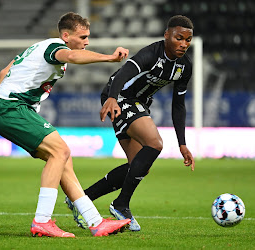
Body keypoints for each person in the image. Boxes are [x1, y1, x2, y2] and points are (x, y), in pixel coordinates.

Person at [0, 12, 131, 238]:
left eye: (87, 37)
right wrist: (110, 58)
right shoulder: (55, 48)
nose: (86, 42)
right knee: (60, 151)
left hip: (7, 108)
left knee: (63, 159)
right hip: (14, 108)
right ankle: (42, 221)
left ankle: (95, 222)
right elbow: (71, 57)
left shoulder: (37, 48)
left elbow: (4, 73)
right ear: (66, 35)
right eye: (82, 37)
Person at [66, 15, 195, 231]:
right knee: (154, 144)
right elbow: (122, 74)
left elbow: (178, 106)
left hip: (140, 103)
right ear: (166, 35)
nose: (183, 44)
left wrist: (182, 143)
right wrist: (112, 98)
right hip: (119, 96)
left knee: (138, 164)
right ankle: (121, 205)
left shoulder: (184, 67)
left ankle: (82, 199)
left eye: (188, 40)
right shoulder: (152, 54)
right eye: (178, 38)